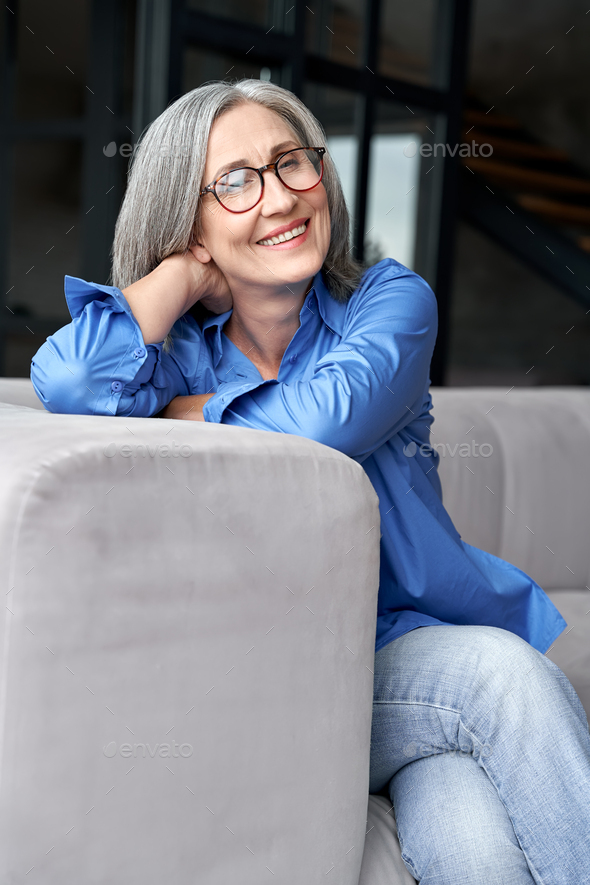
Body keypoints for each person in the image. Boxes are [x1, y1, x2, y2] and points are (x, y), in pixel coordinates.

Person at [30, 79, 590, 883]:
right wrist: (184, 277)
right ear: (187, 223)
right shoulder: (177, 351)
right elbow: (70, 379)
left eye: (292, 162)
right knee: (500, 677)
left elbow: (327, 423)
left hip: (411, 657)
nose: (281, 197)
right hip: (273, 674)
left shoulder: (389, 301)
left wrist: (177, 417)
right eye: (234, 182)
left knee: (477, 849)